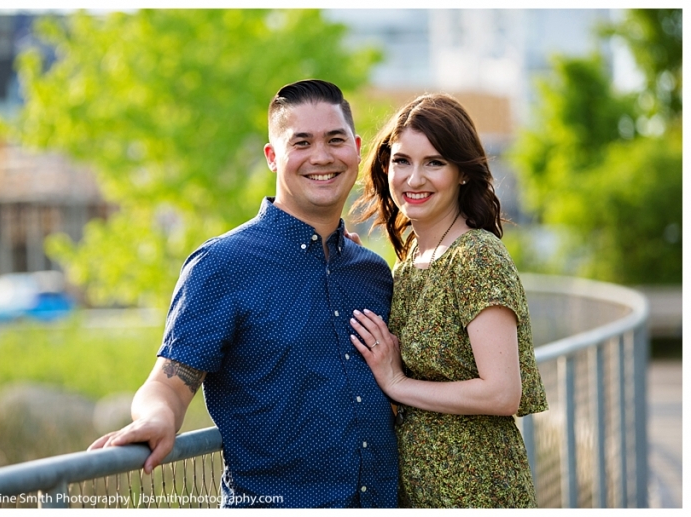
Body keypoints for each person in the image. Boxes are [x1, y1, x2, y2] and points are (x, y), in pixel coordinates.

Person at [88, 79, 398, 508]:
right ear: (273, 157)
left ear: (357, 148)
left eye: (335, 139)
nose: (322, 156)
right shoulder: (221, 267)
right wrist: (158, 419)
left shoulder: (373, 273)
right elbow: (168, 385)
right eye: (301, 142)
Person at [349, 93, 548, 508]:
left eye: (434, 162)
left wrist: (399, 383)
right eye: (402, 161)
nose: (414, 178)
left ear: (461, 173)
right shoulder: (407, 269)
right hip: (418, 495)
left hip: (477, 493)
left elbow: (501, 393)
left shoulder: (476, 256)